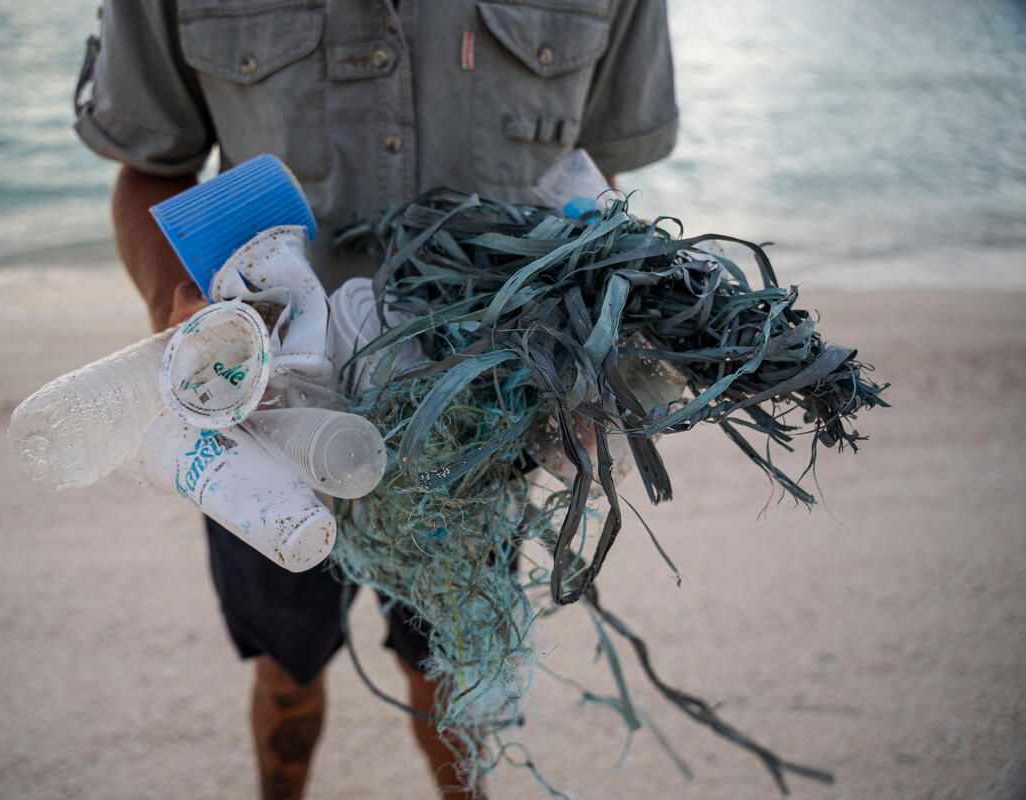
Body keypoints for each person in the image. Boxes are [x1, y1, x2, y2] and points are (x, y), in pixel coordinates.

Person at [73, 2, 677, 797]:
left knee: (458, 662)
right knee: (287, 670)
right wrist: (183, 315)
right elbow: (150, 165)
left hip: (485, 424)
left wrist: (606, 337)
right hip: (266, 421)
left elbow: (592, 170)